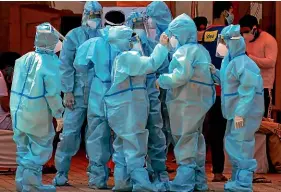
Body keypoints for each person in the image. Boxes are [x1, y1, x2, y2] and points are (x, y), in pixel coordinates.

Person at [104, 26, 169, 191]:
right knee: (135, 145)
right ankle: (142, 184)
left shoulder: (119, 58)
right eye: (130, 38)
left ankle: (122, 183)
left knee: (122, 145)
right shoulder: (127, 57)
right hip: (130, 108)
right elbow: (151, 64)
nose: (134, 41)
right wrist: (162, 46)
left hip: (120, 108)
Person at [156, 13, 215, 191]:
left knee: (184, 138)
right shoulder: (201, 50)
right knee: (196, 139)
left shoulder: (184, 51)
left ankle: (184, 182)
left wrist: (162, 80)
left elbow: (181, 76)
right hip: (200, 102)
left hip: (185, 102)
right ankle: (198, 180)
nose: (172, 39)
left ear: (180, 34)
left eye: (173, 35)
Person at [53, 1, 103, 187]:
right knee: (69, 134)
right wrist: (67, 91)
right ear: (84, 15)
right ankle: (61, 173)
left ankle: (97, 176)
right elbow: (65, 65)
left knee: (97, 136)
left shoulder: (104, 36)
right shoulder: (74, 36)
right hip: (76, 94)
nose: (94, 19)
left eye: (98, 15)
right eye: (91, 15)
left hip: (98, 94)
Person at [10, 22, 64, 192]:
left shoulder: (23, 58)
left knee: (23, 149)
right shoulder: (50, 62)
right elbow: (52, 93)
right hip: (37, 113)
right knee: (39, 148)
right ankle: (32, 186)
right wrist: (59, 114)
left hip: (18, 111)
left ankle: (22, 184)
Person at [210, 24, 264, 192]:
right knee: (234, 144)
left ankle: (243, 182)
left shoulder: (244, 63)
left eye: (224, 42)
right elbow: (228, 83)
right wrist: (214, 73)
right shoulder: (230, 61)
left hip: (244, 113)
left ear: (233, 42)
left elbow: (247, 92)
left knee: (242, 145)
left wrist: (240, 113)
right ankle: (237, 178)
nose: (222, 45)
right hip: (235, 112)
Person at [126, 12, 169, 183]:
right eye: (134, 25)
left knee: (156, 133)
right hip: (131, 97)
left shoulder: (152, 45)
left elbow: (163, 67)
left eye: (140, 25)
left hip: (151, 95)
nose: (138, 29)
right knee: (132, 136)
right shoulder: (123, 48)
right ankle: (134, 174)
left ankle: (158, 171)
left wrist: (161, 81)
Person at [202, 1, 233, 182]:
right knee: (227, 131)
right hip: (225, 88)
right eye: (230, 11)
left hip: (208, 88)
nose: (232, 15)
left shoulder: (206, 32)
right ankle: (223, 171)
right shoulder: (227, 33)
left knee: (210, 131)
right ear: (224, 12)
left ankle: (211, 170)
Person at [146, 1, 174, 156]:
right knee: (157, 123)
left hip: (168, 84)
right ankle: (157, 158)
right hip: (157, 83)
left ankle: (160, 158)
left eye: (151, 16)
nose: (149, 20)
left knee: (165, 123)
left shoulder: (172, 34)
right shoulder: (158, 35)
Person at [239, 14, 278, 119]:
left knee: (263, 121)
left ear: (255, 28)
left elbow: (270, 62)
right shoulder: (243, 40)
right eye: (242, 32)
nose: (244, 34)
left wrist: (249, 58)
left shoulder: (268, 40)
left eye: (247, 31)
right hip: (246, 86)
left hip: (263, 86)